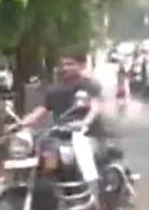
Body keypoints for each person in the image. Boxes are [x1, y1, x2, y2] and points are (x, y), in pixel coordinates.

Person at [22, 48, 112, 201]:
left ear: (81, 65)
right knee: (39, 151)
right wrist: (22, 123)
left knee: (82, 158)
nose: (66, 68)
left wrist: (85, 122)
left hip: (88, 135)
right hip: (61, 136)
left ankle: (93, 198)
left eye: (70, 64)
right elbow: (41, 110)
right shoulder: (55, 89)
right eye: (63, 64)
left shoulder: (89, 85)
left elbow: (95, 107)